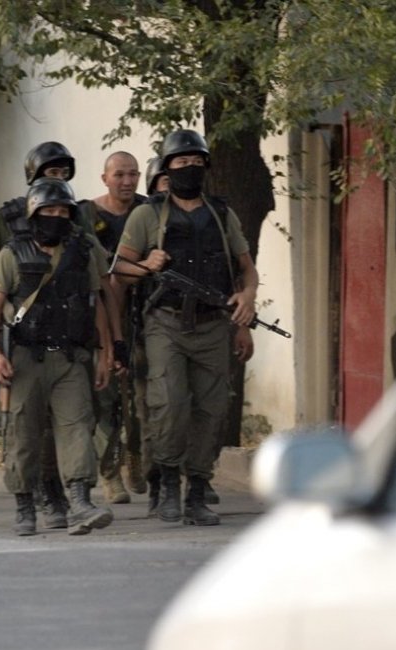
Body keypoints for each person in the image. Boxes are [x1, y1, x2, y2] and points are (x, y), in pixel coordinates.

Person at [112, 129, 259, 526]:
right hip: (166, 323)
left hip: (214, 325)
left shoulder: (221, 213)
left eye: (197, 163)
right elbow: (119, 270)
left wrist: (248, 299)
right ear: (167, 168)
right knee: (170, 404)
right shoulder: (148, 214)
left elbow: (246, 269)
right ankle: (168, 481)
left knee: (210, 410)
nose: (189, 169)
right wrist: (147, 265)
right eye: (181, 163)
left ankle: (197, 488)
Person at [0, 177, 114, 537]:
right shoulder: (11, 254)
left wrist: (106, 351)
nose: (56, 216)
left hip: (71, 357)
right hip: (26, 358)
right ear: (33, 214)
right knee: (23, 434)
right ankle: (25, 505)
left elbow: (96, 300)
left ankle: (80, 500)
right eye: (48, 210)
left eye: (62, 211)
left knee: (77, 427)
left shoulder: (82, 250)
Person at [78, 151, 149, 503]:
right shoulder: (85, 215)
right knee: (106, 403)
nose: (127, 181)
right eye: (119, 174)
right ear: (104, 178)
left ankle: (136, 457)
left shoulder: (149, 212)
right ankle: (109, 474)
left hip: (145, 318)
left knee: (143, 401)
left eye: (133, 174)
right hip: (101, 321)